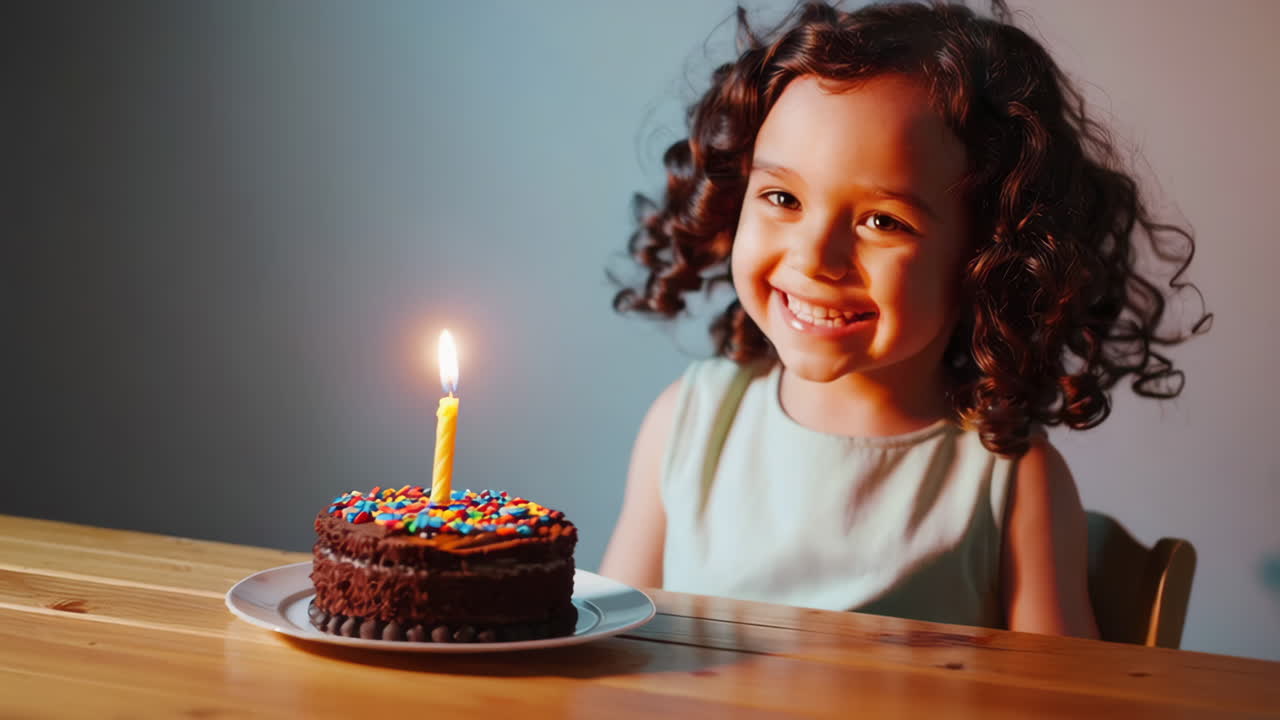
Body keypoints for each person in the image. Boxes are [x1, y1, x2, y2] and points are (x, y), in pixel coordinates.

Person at [599, 0, 1208, 638]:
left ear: (989, 257)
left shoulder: (1009, 478)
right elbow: (615, 656)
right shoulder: (688, 425)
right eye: (783, 198)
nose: (815, 259)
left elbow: (1059, 701)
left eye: (882, 221)